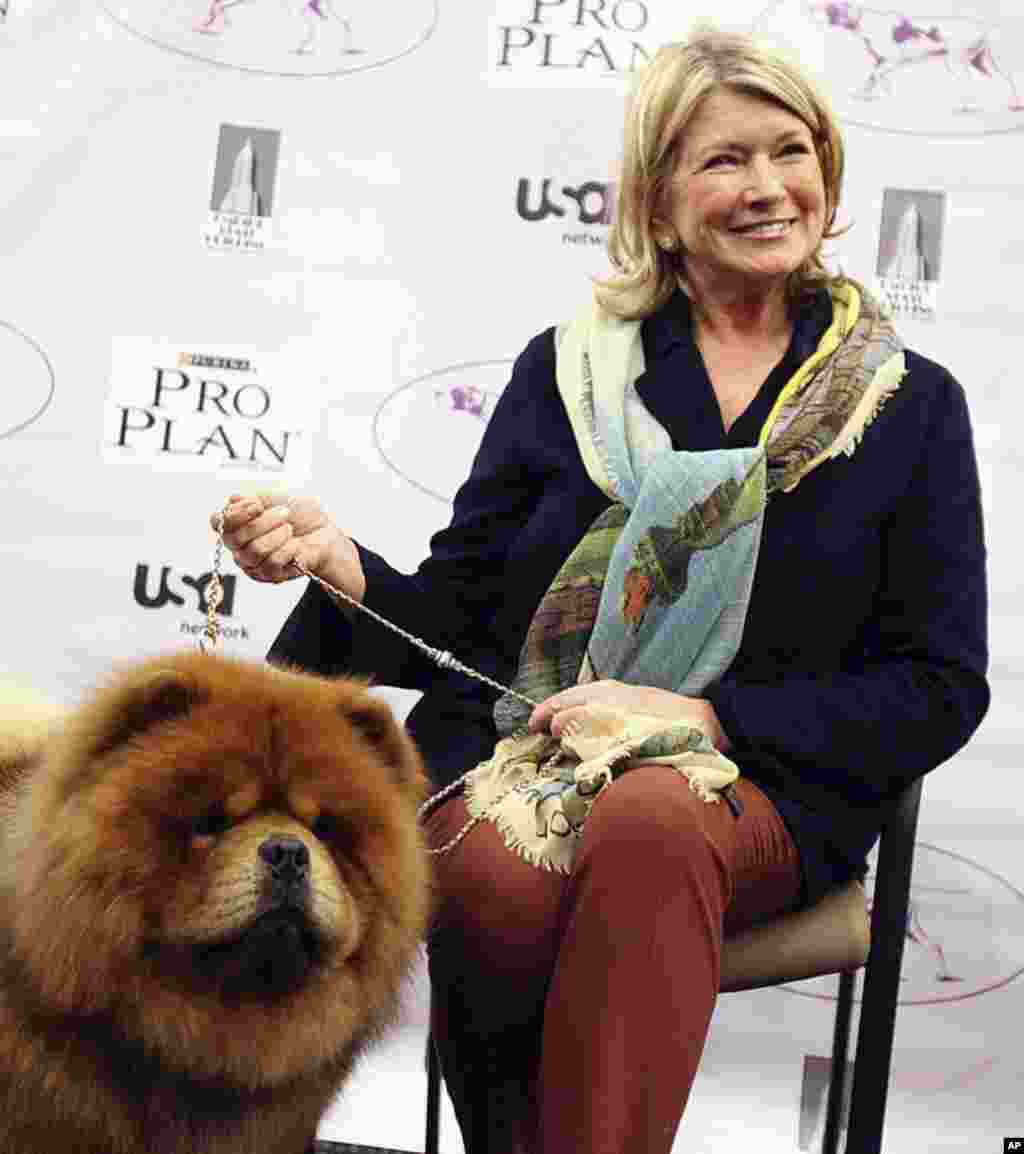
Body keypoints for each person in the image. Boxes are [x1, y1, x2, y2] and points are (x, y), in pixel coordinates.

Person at [213, 27, 988, 1154]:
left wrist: (703, 715)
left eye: (791, 151)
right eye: (724, 160)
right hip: (524, 763)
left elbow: (937, 681)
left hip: (758, 788)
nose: (768, 187)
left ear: (827, 174)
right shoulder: (566, 374)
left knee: (648, 816)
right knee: (486, 866)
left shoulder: (906, 405)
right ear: (657, 197)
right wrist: (342, 567)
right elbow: (460, 617)